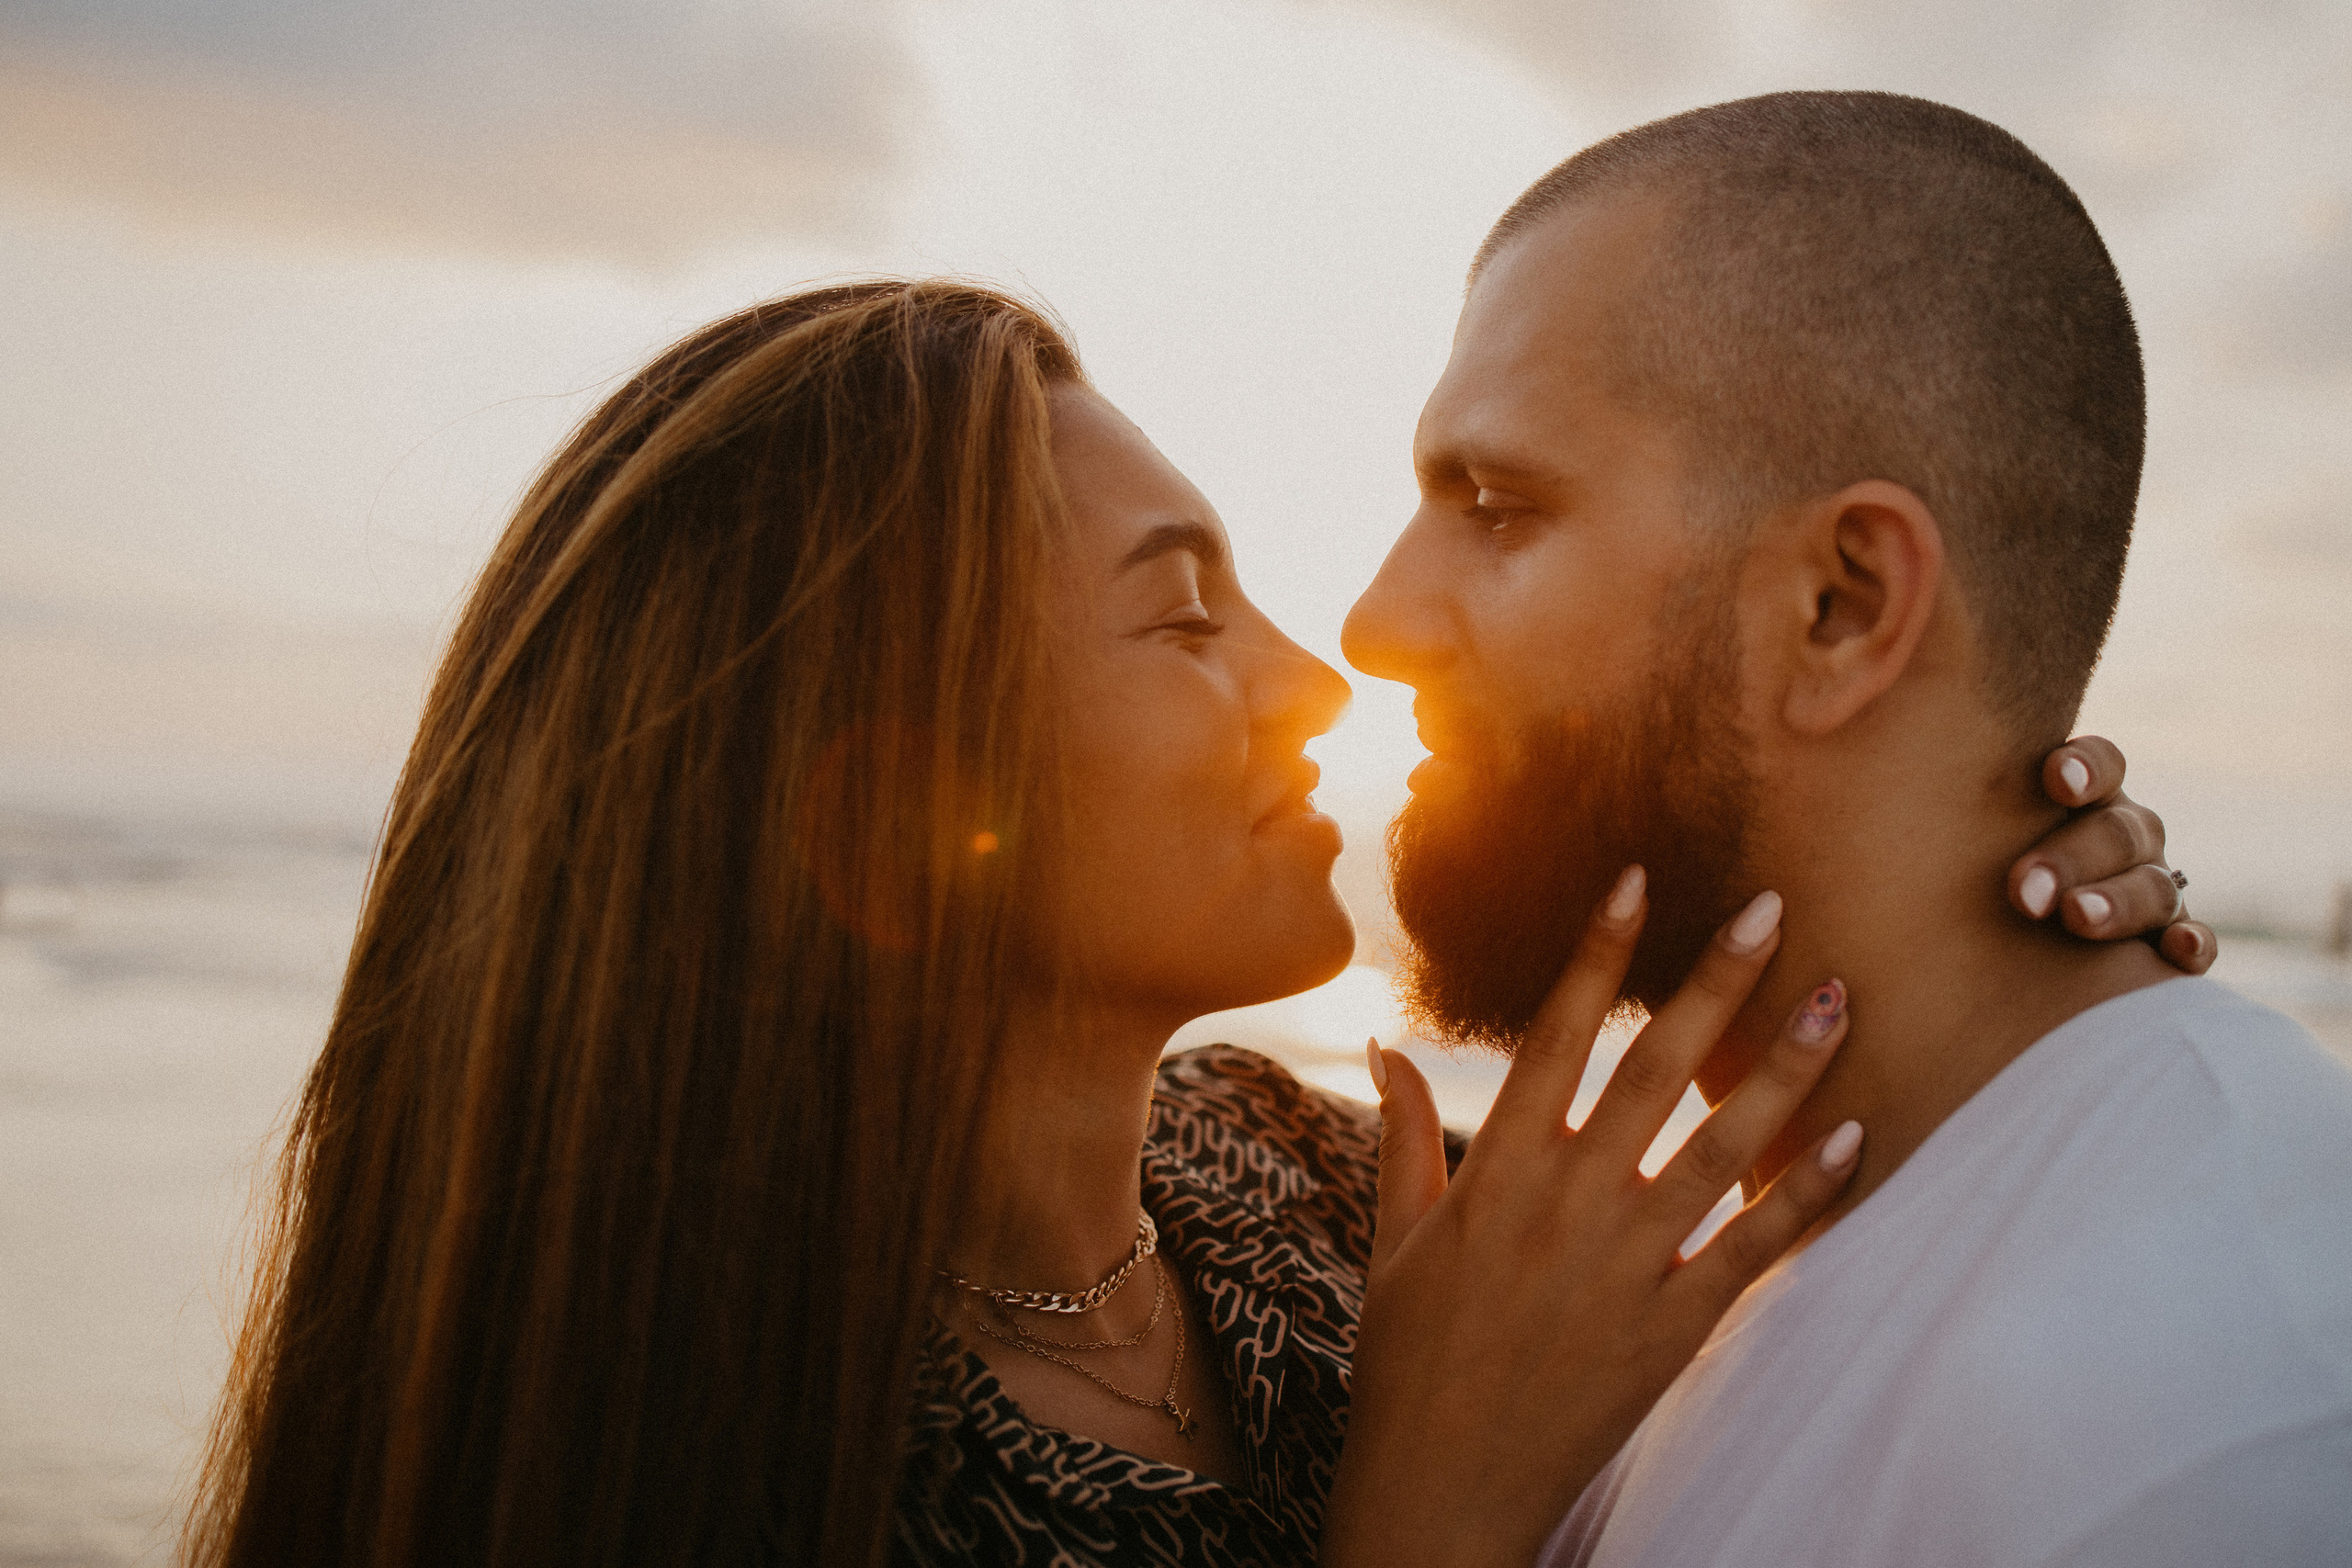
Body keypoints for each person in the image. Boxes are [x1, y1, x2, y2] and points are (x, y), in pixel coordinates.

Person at [183, 280, 2209, 1568]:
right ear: (895, 838)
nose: (1317, 674)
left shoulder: (1311, 1176)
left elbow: (1812, 1260)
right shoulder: (675, 1481)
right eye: (1178, 614)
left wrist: (1975, 884)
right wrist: (1424, 1528)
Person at [1332, 92, 2352, 1568]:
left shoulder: (2187, 1417)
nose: (1375, 625)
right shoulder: (1625, 1302)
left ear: (1844, 608)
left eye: (1497, 504)